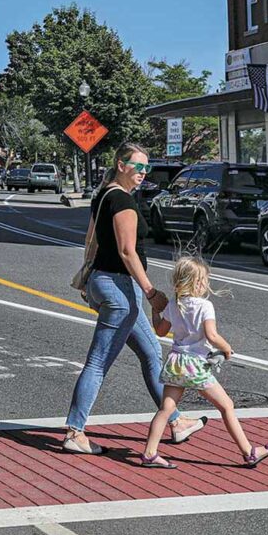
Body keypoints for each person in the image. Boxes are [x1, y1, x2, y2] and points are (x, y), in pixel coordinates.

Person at [63, 142, 205, 454]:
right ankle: (75, 431)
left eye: (146, 168)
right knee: (98, 362)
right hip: (119, 288)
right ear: (121, 164)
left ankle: (176, 421)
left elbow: (92, 240)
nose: (143, 173)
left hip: (106, 282)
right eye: (137, 166)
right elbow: (128, 252)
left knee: (152, 353)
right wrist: (151, 292)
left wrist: (90, 280)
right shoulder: (122, 200)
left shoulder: (103, 195)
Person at [137, 256, 268, 468]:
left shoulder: (174, 305)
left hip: (176, 362)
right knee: (226, 406)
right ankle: (249, 452)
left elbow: (161, 331)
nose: (206, 284)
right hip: (196, 365)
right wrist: (226, 348)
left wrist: (155, 311)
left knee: (165, 409)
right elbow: (212, 335)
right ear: (197, 283)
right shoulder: (205, 306)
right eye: (204, 280)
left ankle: (149, 453)